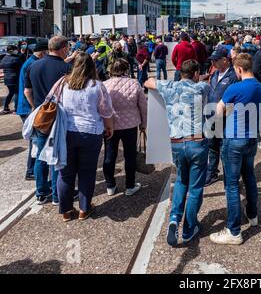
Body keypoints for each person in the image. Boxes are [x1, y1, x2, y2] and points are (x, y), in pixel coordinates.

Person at [144, 60, 210, 247]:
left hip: (176, 142)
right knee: (195, 188)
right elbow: (204, 84)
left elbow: (148, 82)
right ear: (196, 73)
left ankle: (174, 217)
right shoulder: (201, 88)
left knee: (181, 180)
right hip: (197, 141)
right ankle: (189, 229)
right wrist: (202, 78)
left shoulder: (169, 86)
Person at [209, 53, 261, 246]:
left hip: (234, 138)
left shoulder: (235, 87)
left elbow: (219, 109)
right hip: (251, 138)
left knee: (231, 184)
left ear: (239, 69)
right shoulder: (260, 87)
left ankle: (233, 231)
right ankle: (253, 215)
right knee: (249, 176)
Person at [55, 52, 114, 222]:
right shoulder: (97, 85)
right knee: (87, 172)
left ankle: (66, 211)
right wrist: (109, 127)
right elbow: (106, 110)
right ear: (92, 66)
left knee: (65, 174)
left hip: (67, 132)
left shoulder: (64, 83)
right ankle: (84, 209)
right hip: (90, 132)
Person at [24, 36, 72, 206]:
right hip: (59, 115)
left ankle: (41, 193)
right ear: (63, 48)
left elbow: (27, 91)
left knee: (39, 156)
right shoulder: (66, 67)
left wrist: (35, 107)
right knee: (56, 155)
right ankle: (57, 195)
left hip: (40, 115)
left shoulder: (33, 66)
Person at [103, 59, 147, 197]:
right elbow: (143, 106)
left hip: (111, 125)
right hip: (130, 125)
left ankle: (110, 185)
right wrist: (143, 124)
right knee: (130, 155)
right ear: (126, 69)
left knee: (109, 155)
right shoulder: (134, 83)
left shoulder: (104, 85)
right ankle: (130, 185)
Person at [205, 46, 238, 186]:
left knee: (226, 149)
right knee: (212, 147)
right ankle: (212, 173)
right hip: (212, 117)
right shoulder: (214, 74)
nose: (213, 63)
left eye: (216, 60)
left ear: (225, 60)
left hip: (226, 118)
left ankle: (230, 178)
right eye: (212, 60)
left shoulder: (234, 76)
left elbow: (236, 99)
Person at [17, 39, 48, 180]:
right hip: (28, 107)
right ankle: (31, 171)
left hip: (28, 106)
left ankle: (33, 170)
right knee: (35, 140)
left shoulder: (31, 62)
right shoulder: (32, 64)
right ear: (43, 52)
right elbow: (27, 91)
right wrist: (34, 107)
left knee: (35, 140)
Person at [0, 45, 23, 114]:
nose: (17, 51)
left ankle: (6, 108)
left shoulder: (4, 58)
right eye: (16, 50)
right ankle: (16, 109)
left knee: (11, 93)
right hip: (15, 78)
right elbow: (21, 67)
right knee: (17, 93)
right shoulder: (16, 59)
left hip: (7, 79)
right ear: (12, 50)